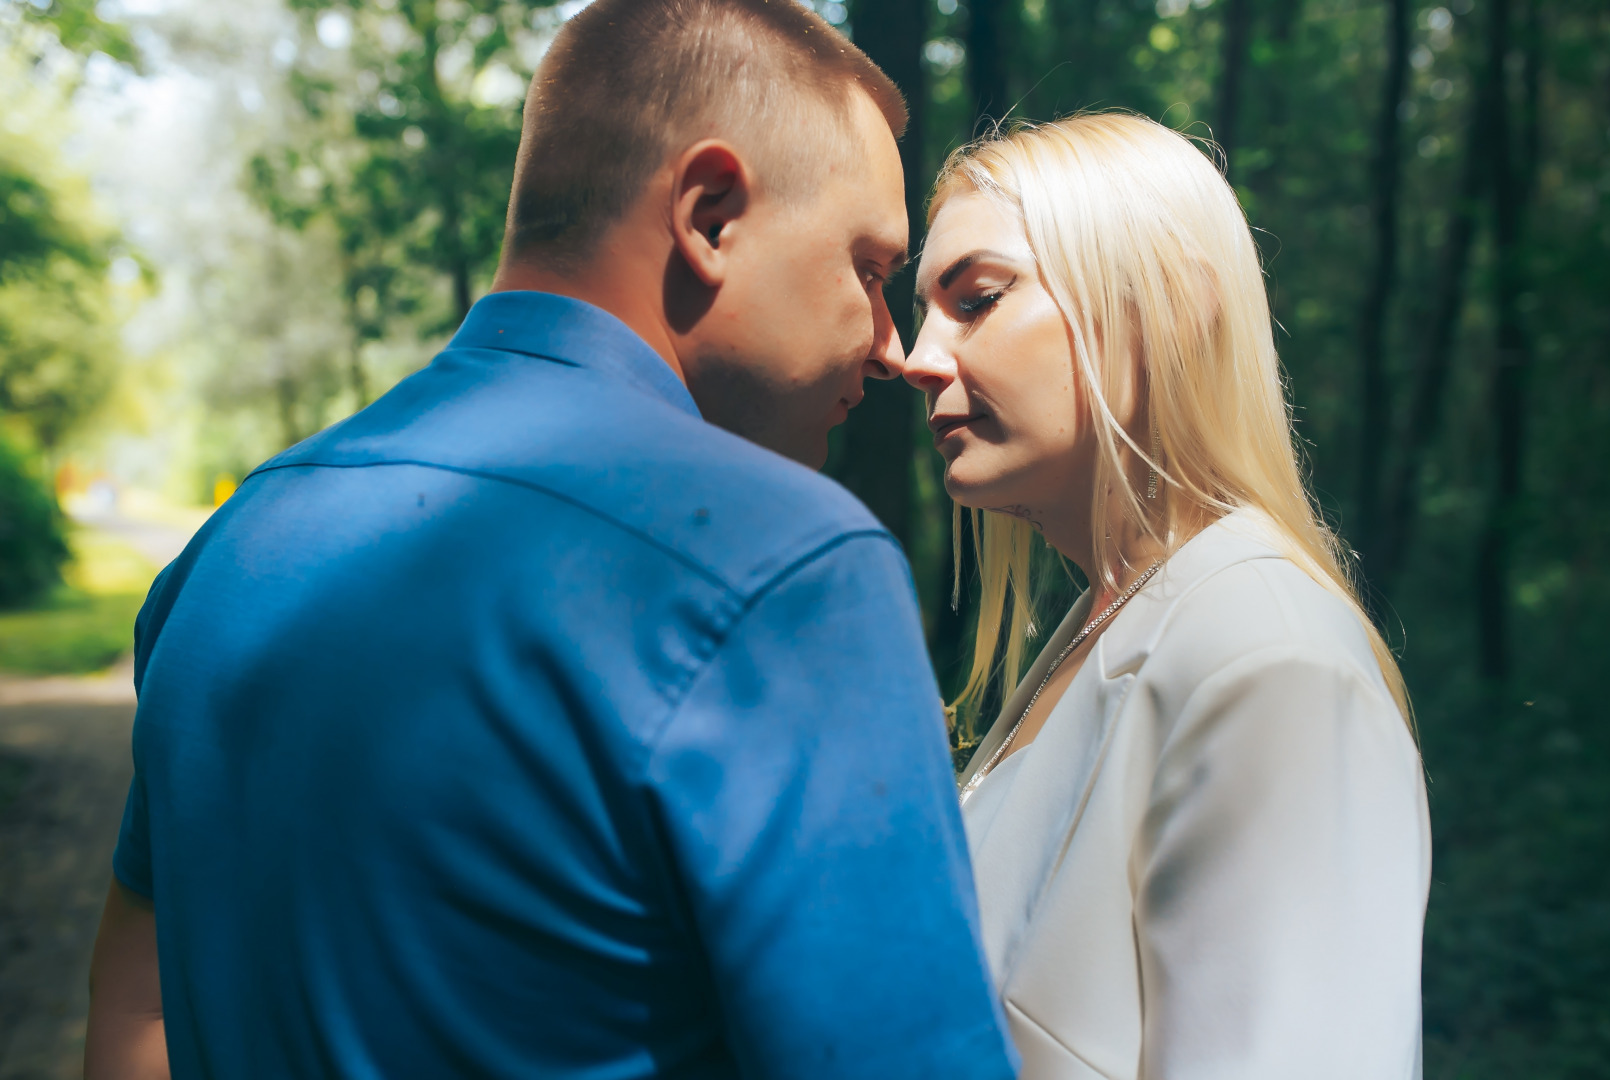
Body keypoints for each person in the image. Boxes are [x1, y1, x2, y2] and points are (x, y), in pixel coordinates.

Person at [83, 1, 1019, 1076]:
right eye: (867, 268)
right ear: (711, 216)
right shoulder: (784, 571)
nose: (892, 343)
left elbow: (135, 1019)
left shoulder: (228, 551)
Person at [905, 113, 1431, 1079]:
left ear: (1166, 304)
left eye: (976, 299)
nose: (917, 355)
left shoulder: (1267, 660)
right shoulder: (1109, 628)